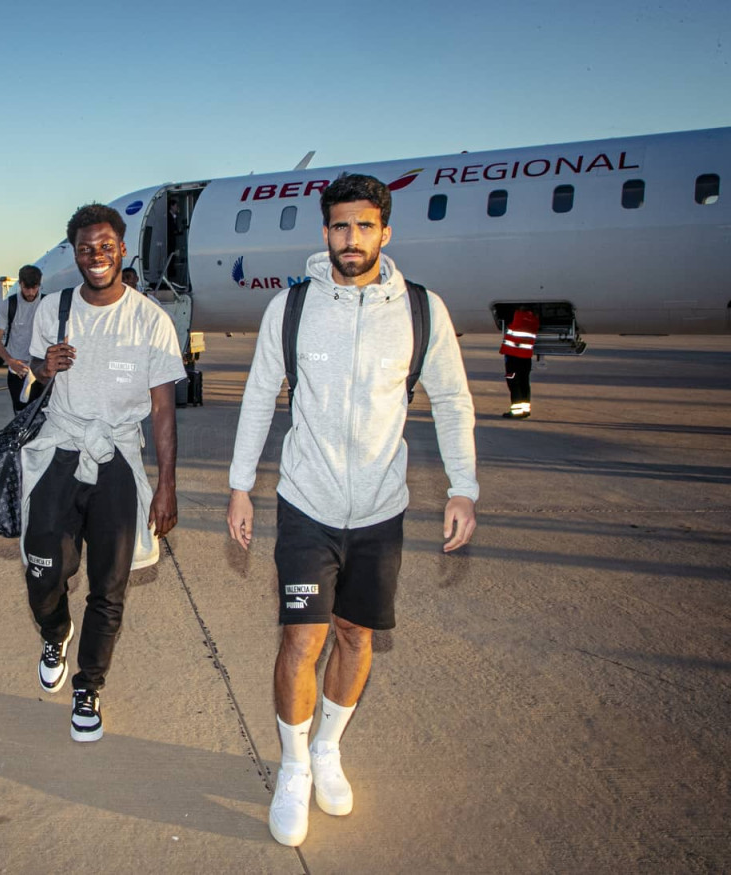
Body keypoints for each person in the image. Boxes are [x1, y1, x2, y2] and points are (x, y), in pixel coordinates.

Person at [226, 174, 479, 846]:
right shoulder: (292, 307)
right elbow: (259, 395)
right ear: (325, 232)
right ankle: (293, 767)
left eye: (365, 225)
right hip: (306, 503)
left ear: (385, 232)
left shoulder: (421, 310)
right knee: (301, 639)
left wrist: (463, 486)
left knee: (356, 636)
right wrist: (240, 484)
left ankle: (328, 747)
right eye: (340, 226)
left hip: (379, 509)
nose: (352, 238)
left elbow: (451, 399)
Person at [20, 203, 185, 742]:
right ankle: (55, 631)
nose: (96, 256)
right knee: (44, 570)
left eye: (106, 246)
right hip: (60, 452)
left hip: (116, 458)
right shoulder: (54, 308)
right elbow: (33, 374)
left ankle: (88, 686)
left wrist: (165, 485)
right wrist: (44, 367)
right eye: (86, 248)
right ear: (75, 253)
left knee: (109, 587)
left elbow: (163, 409)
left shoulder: (150, 320)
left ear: (122, 250)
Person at [0, 265, 45, 413]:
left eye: (35, 288)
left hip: (42, 369)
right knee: (21, 415)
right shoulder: (9, 304)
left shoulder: (48, 304)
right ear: (20, 284)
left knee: (42, 417)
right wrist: (10, 361)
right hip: (18, 370)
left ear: (40, 285)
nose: (31, 293)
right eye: (27, 288)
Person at [500, 305, 539, 418]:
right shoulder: (534, 321)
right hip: (525, 357)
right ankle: (525, 410)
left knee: (514, 384)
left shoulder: (517, 317)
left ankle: (517, 411)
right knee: (524, 383)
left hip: (513, 358)